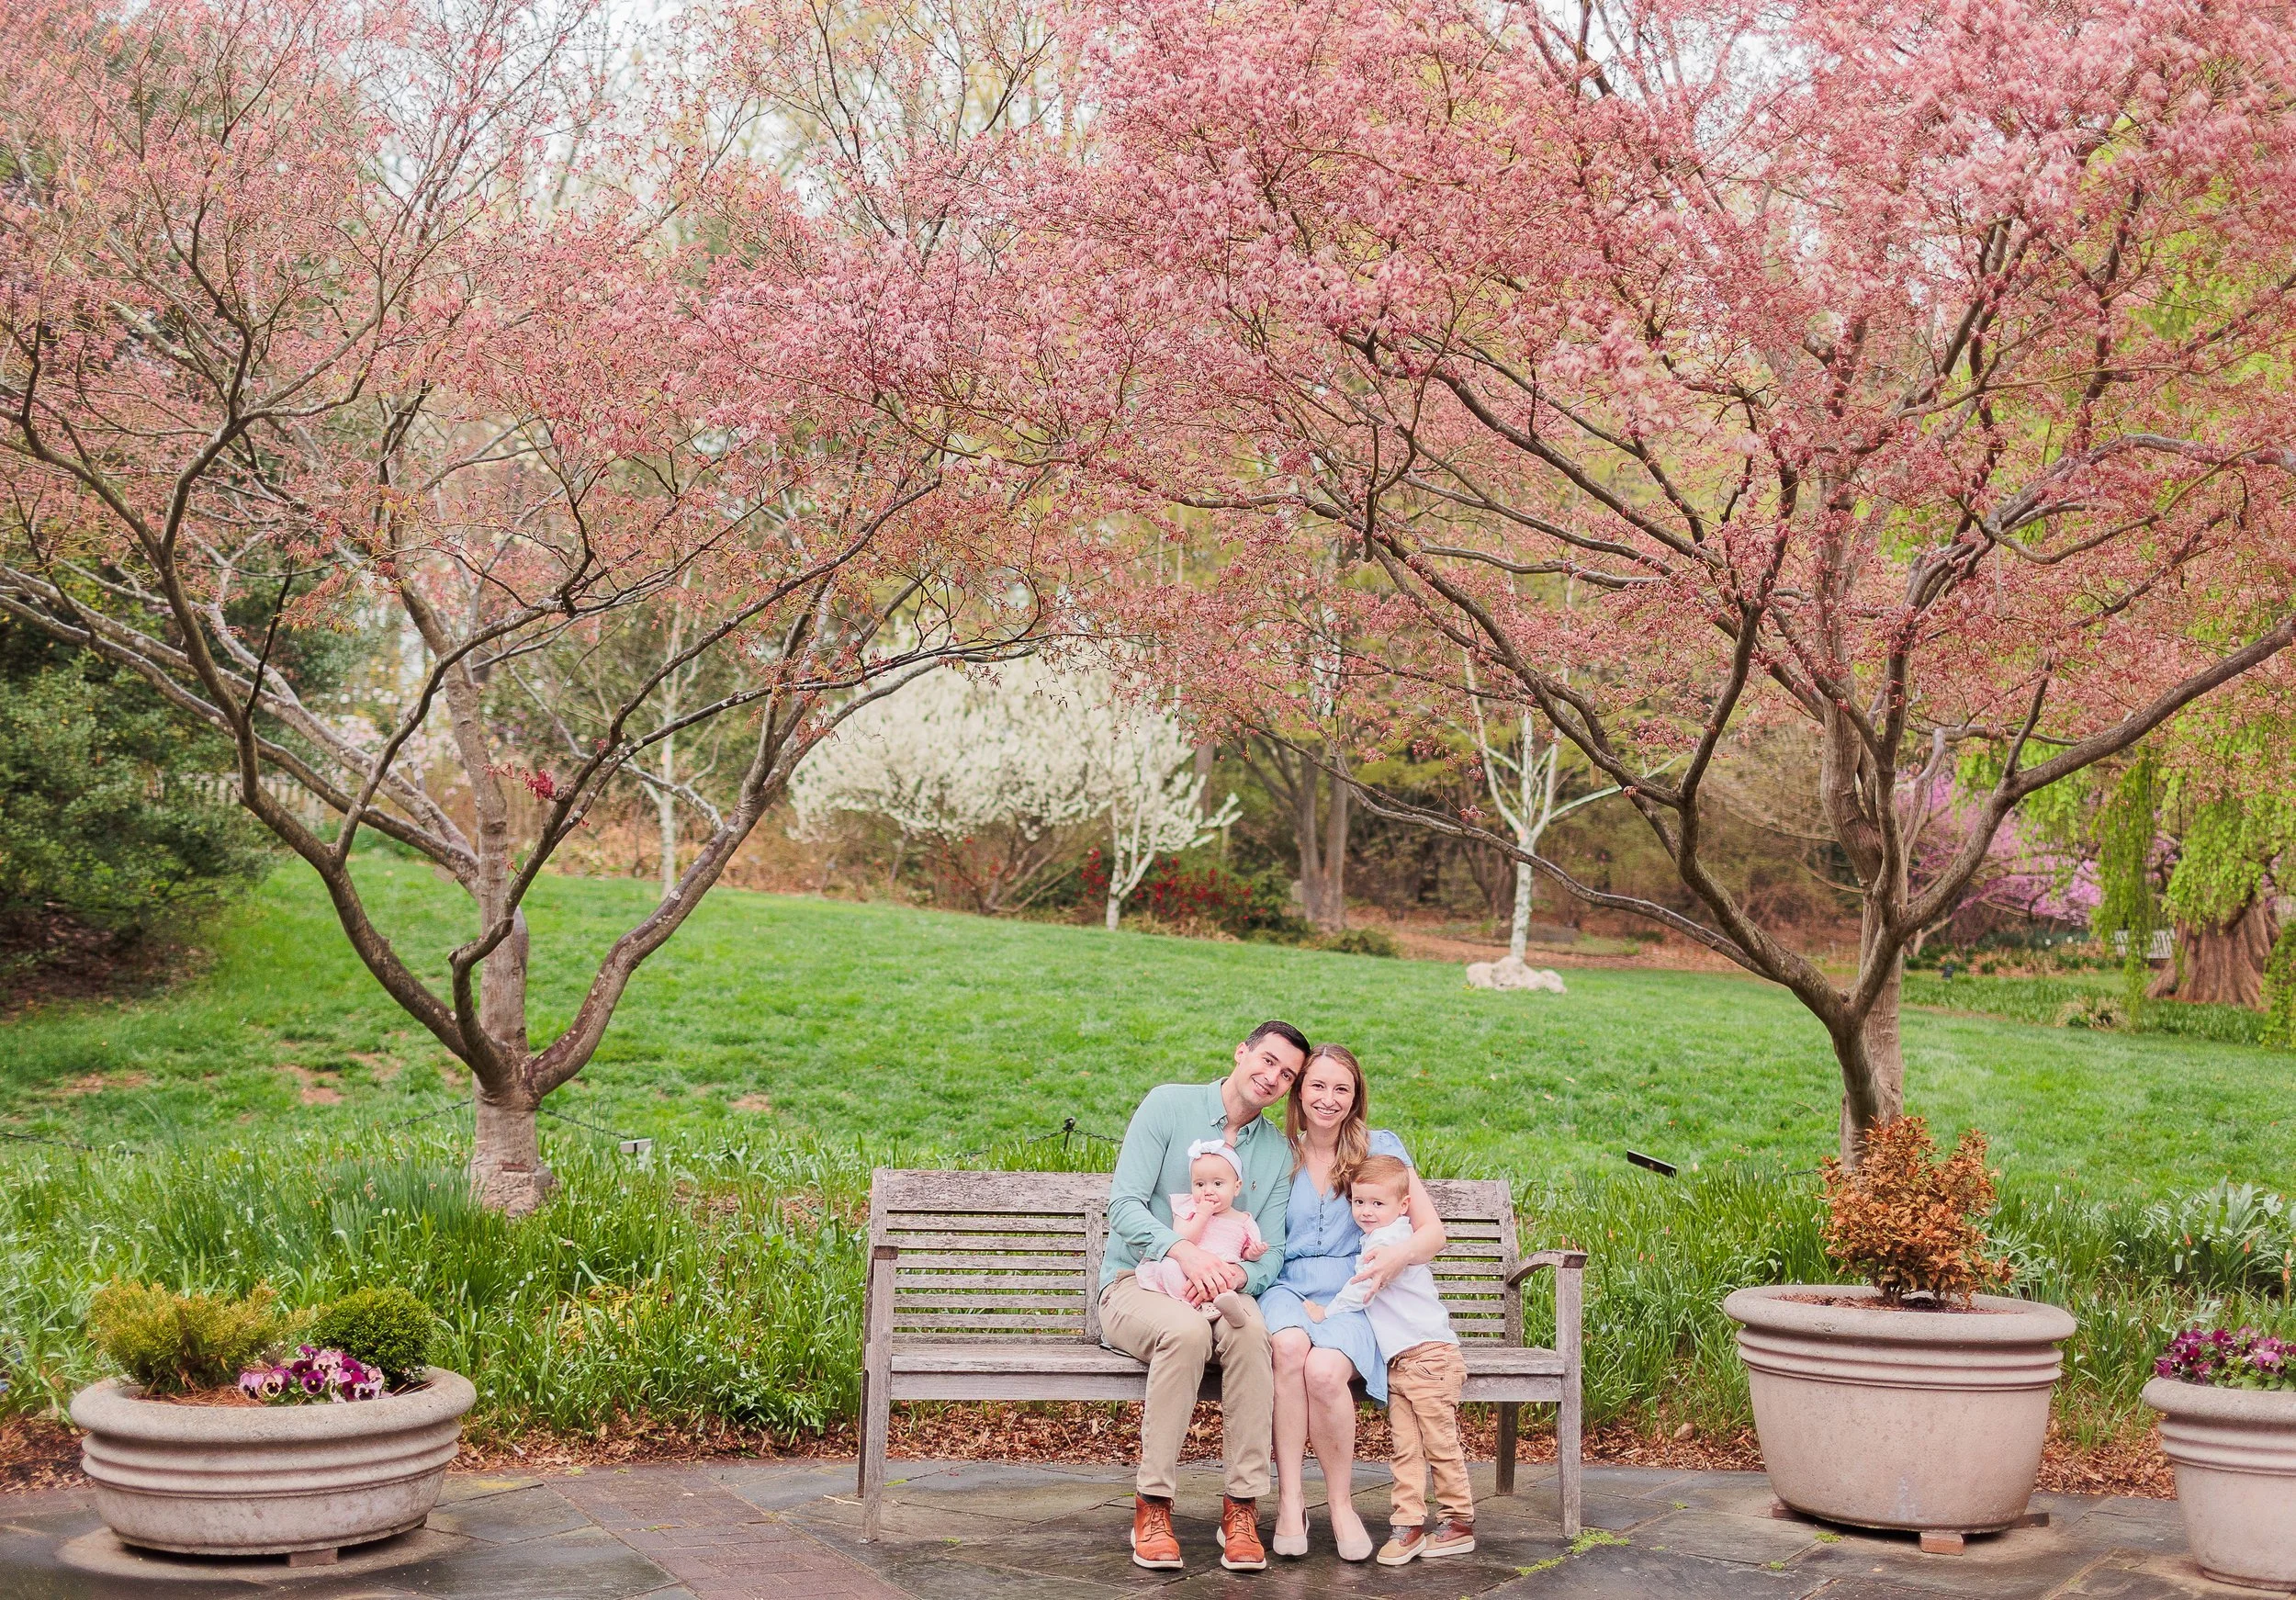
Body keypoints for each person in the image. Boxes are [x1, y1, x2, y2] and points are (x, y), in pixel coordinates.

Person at [1100, 1020, 1308, 1572]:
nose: (1272, 1077)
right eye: (1266, 1061)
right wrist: (1183, 1253)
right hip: (1139, 1284)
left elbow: (1271, 1247)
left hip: (1223, 1293)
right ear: (1242, 1053)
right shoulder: (1167, 1106)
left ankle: (1241, 1508)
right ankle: (1153, 1504)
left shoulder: (1276, 1151)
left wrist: (1238, 1277)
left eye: (1287, 1074)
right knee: (1186, 1331)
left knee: (1252, 1334)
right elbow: (1122, 1207)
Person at [1258, 1043, 1447, 1562]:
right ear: (1299, 1093)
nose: (1328, 1099)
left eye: (1342, 1088)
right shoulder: (1278, 1150)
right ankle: (1291, 1501)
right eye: (1317, 1086)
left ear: (1356, 1096)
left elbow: (1432, 1233)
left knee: (1323, 1372)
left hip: (1357, 1289)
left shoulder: (1379, 1147)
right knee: (1289, 1349)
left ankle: (1340, 1505)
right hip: (1287, 1286)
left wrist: (1397, 1257)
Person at [1309, 1155, 1475, 1566]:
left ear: (1403, 1206)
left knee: (1438, 1444)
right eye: (1358, 1202)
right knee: (1405, 1447)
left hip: (1429, 1358)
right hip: (1402, 1363)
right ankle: (1409, 1524)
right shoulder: (1381, 1236)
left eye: (1376, 1203)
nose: (1365, 1211)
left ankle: (1458, 1523)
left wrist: (1325, 1314)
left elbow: (1365, 1287)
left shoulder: (1389, 1243)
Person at [1131, 1139, 1269, 1325]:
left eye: (1218, 1184)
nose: (1208, 1191)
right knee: (1169, 1268)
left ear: (1236, 1187)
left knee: (1226, 1280)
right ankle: (1194, 1305)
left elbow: (1244, 1254)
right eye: (1200, 1184)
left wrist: (1252, 1253)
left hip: (1221, 1271)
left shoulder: (1243, 1220)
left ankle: (1227, 1307)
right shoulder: (1188, 1209)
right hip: (1186, 1268)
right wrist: (1202, 1215)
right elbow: (1182, 1240)